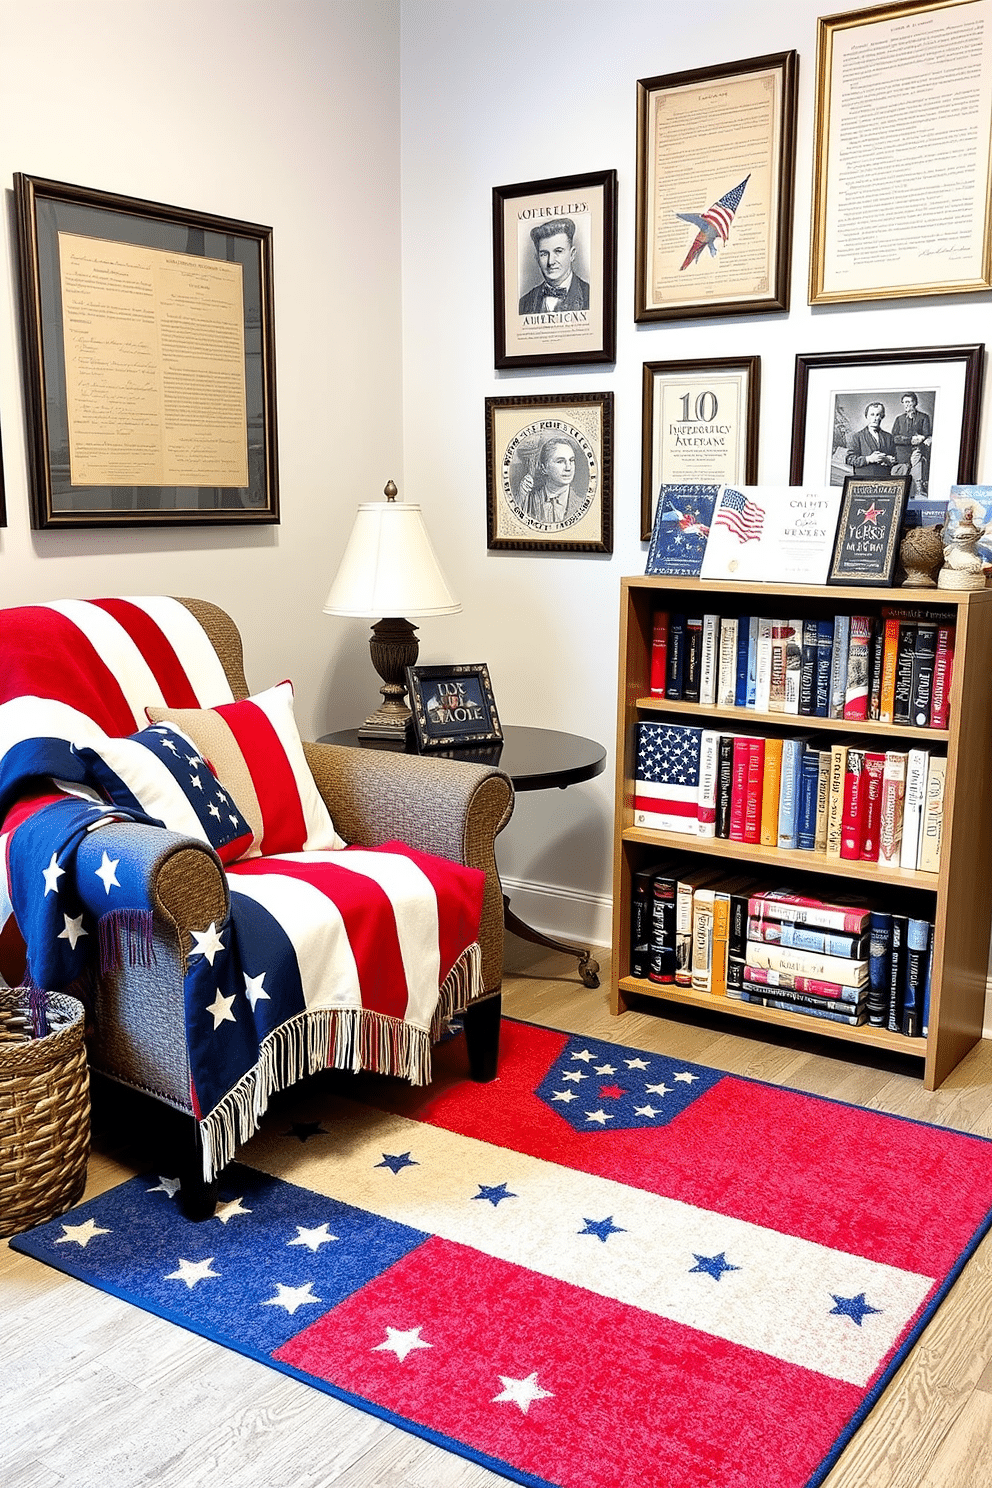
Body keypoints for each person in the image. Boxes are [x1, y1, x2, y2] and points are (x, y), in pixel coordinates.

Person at [518, 218, 590, 314]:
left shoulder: (590, 295)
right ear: (537, 258)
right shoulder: (524, 302)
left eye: (558, 251)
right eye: (544, 254)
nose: (550, 262)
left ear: (572, 254)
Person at [516, 437, 586, 526]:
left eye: (571, 460)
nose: (568, 468)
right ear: (544, 467)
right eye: (560, 461)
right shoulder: (529, 500)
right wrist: (522, 496)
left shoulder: (581, 503)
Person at [892, 392, 932, 496]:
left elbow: (927, 434)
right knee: (901, 481)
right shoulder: (899, 419)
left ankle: (918, 496)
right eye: (905, 402)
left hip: (917, 452)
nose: (907, 404)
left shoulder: (924, 417)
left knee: (917, 481)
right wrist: (910, 440)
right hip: (902, 455)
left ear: (915, 402)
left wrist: (923, 438)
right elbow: (894, 438)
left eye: (909, 402)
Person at [846, 402, 897, 471]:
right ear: (867, 416)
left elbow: (895, 459)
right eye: (872, 415)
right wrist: (869, 459)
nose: (875, 418)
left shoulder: (889, 437)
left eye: (878, 415)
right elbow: (849, 459)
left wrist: (889, 460)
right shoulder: (857, 437)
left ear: (882, 417)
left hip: (884, 478)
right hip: (864, 479)